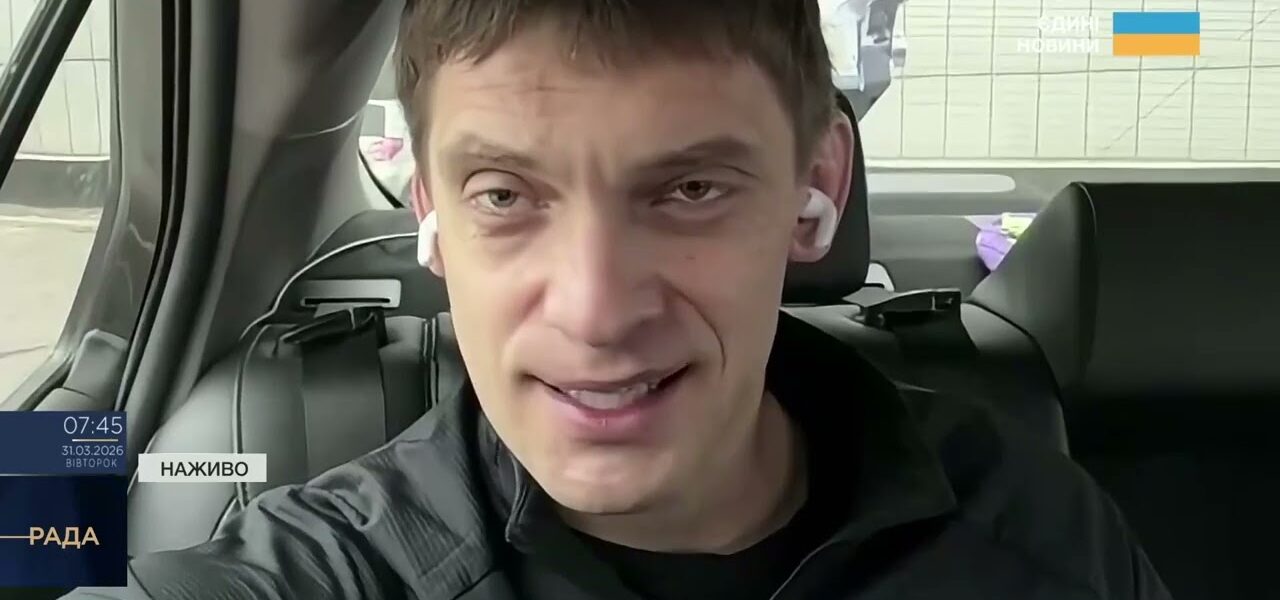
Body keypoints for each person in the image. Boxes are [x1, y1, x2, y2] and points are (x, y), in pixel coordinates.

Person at [68, 1, 1172, 598]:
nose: (594, 312)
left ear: (816, 192)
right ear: (432, 216)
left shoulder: (1040, 535)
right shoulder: (333, 568)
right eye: (505, 196)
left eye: (689, 191)